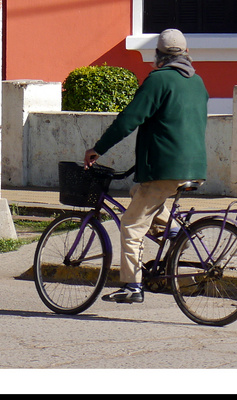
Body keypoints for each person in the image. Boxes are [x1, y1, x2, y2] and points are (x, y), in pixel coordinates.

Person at [84, 28, 208, 305]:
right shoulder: (197, 82)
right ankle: (174, 232)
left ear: (158, 56)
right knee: (140, 194)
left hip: (165, 166)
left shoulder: (159, 80)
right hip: (194, 165)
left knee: (131, 225)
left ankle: (132, 286)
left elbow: (129, 119)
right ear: (186, 54)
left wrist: (98, 149)